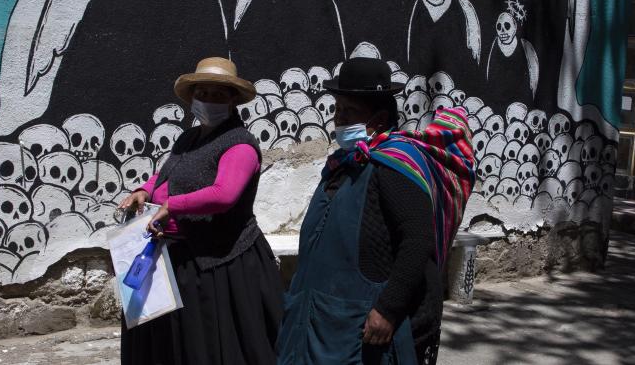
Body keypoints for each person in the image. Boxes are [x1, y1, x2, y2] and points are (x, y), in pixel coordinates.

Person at [276, 58, 476, 365]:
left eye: (350, 112)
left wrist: (388, 309)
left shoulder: (394, 165)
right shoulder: (343, 164)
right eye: (337, 110)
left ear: (379, 120)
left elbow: (417, 239)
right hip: (321, 321)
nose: (339, 120)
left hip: (360, 330)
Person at [118, 56, 283, 365]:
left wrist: (172, 206)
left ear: (233, 100)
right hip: (177, 256)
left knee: (213, 345)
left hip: (219, 262)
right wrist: (144, 190)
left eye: (218, 94)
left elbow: (225, 194)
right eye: (202, 93)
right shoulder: (189, 138)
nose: (208, 100)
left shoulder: (240, 145)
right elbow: (168, 174)